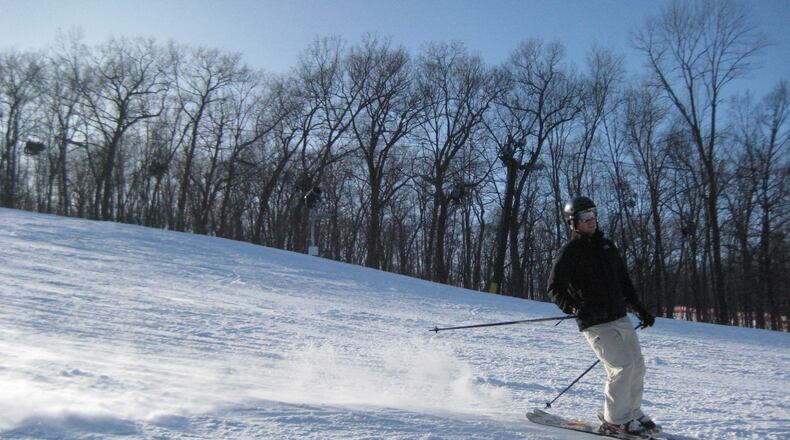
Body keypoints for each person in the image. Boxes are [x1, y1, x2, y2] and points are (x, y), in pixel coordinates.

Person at [547, 196, 657, 436]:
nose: (591, 221)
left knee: (637, 365)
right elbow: (555, 288)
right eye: (585, 217)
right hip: (595, 322)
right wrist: (574, 307)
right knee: (621, 366)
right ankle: (615, 420)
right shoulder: (569, 252)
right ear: (573, 222)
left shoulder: (607, 247)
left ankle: (632, 412)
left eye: (593, 215)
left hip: (618, 315)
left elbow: (623, 281)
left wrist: (639, 308)